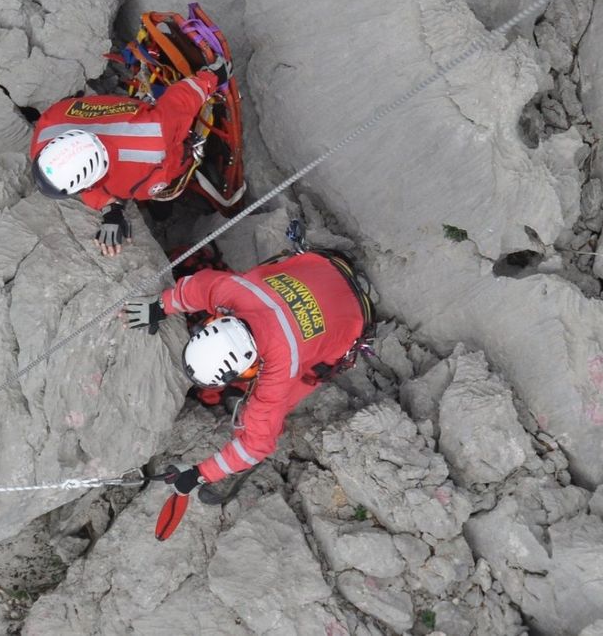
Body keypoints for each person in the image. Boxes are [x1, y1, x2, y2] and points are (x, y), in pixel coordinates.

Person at [123, 248, 374, 493]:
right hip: (324, 265)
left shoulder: (280, 370)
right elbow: (196, 287)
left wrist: (201, 473)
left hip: (356, 315)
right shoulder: (233, 292)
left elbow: (256, 446)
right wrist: (160, 306)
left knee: (300, 383)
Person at [29, 57, 231, 257]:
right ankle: (161, 209)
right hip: (128, 137)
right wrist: (111, 209)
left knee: (166, 199)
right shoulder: (46, 134)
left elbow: (179, 103)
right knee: (161, 211)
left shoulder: (153, 138)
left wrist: (210, 78)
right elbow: (90, 185)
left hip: (166, 159)